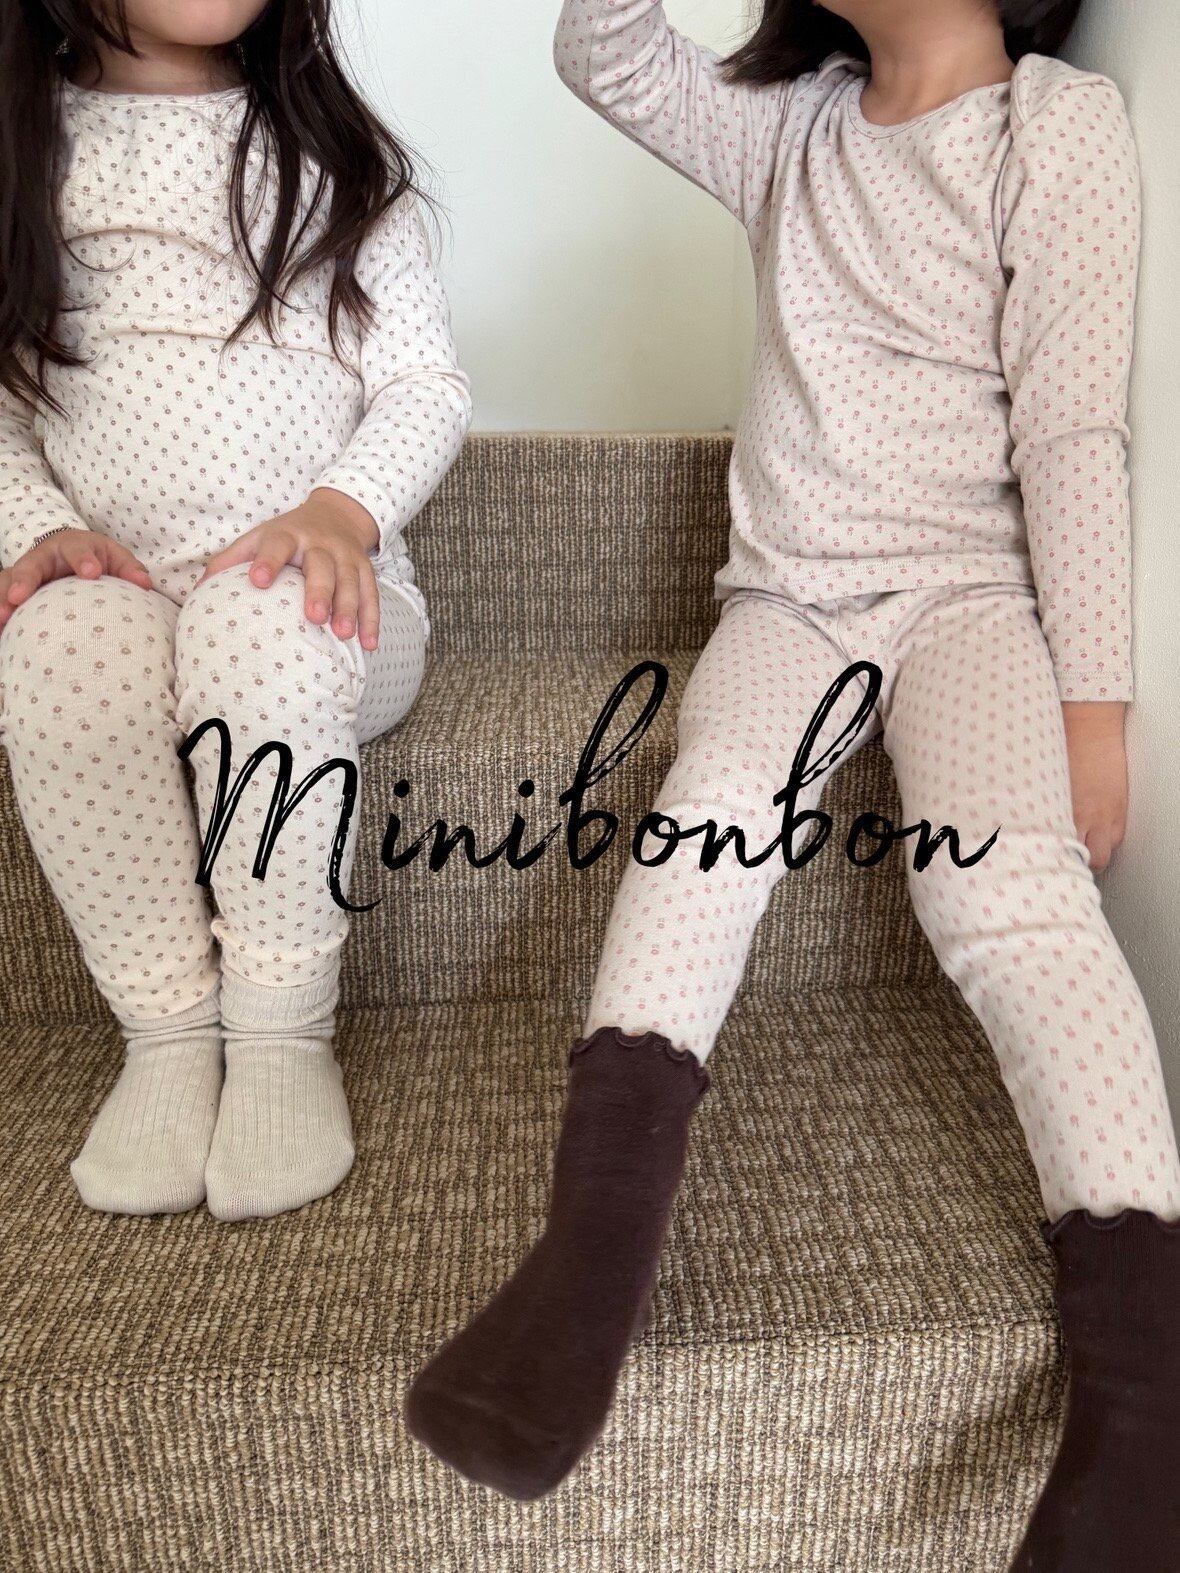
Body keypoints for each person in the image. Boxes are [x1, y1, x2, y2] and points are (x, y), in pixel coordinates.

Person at [405, 2, 1180, 1565]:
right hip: (791, 603)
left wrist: (1092, 708)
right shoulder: (794, 129)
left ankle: (1148, 1396)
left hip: (972, 599)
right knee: (708, 816)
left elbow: (1073, 428)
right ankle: (589, 1264)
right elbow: (606, 52)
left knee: (1007, 895)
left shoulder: (1057, 125)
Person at [0, 0, 472, 1221]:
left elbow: (423, 384)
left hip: (331, 604)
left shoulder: (332, 159)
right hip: (124, 588)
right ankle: (167, 1029)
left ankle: (278, 1029)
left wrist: (340, 511)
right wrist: (35, 526)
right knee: (56, 646)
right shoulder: (25, 153)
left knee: (254, 617)